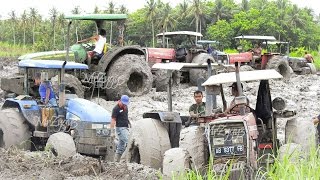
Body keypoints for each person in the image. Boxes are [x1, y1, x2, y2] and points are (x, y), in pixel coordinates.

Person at [110, 95, 131, 162]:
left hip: (125, 127)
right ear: (120, 101)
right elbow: (113, 120)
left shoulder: (125, 107)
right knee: (129, 142)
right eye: (124, 104)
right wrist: (112, 132)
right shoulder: (116, 109)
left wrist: (129, 122)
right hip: (120, 128)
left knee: (121, 146)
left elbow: (125, 116)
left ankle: (116, 162)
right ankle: (125, 160)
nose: (125, 105)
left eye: (126, 104)